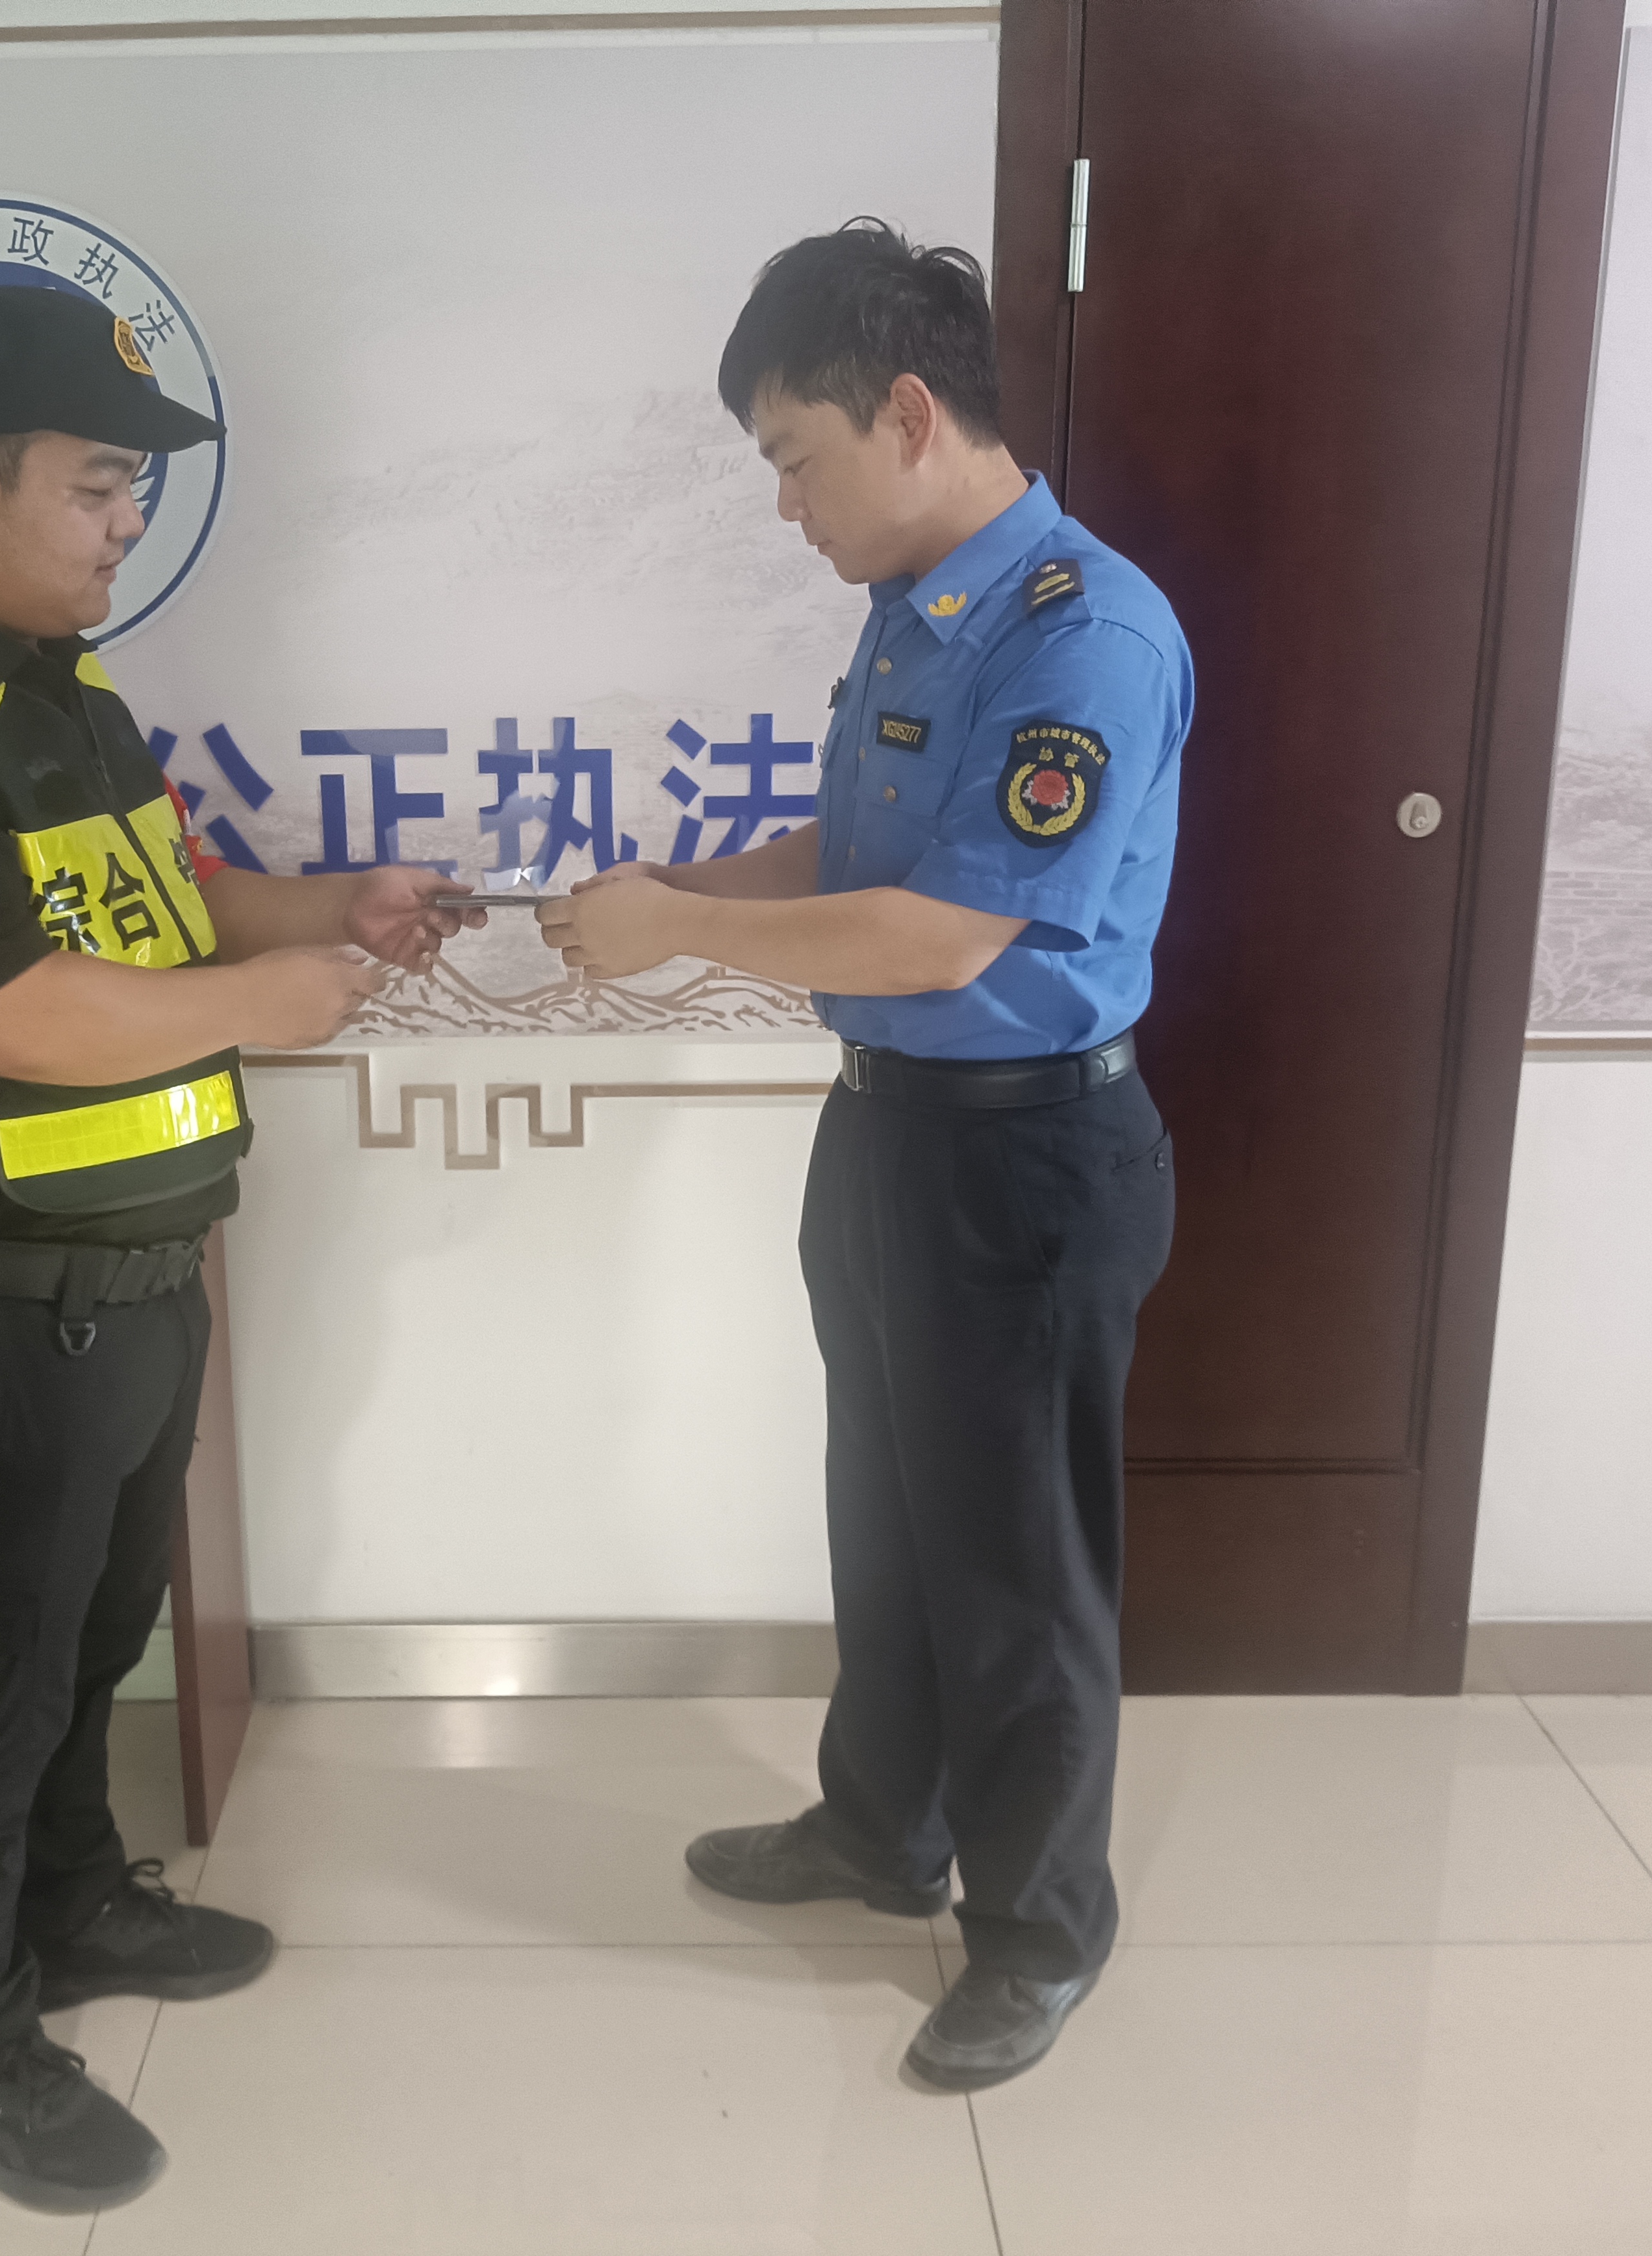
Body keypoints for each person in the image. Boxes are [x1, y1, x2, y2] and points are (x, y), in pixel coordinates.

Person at [0, 284, 477, 2211]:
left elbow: (173, 909)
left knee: (88, 1644)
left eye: (134, 491)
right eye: (94, 486)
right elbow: (10, 1013)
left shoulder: (64, 695)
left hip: (129, 1288)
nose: (125, 525)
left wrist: (337, 910)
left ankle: (71, 1904)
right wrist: (272, 1009)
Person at [541, 220, 1188, 2093]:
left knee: (1018, 1564)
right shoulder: (915, 606)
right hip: (891, 1138)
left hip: (1029, 1162)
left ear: (909, 414)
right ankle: (880, 1826)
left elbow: (946, 935)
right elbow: (852, 859)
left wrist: (679, 935)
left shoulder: (1084, 633)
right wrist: (673, 891)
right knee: (887, 1515)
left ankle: (1041, 1928)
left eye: (793, 458)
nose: (784, 506)